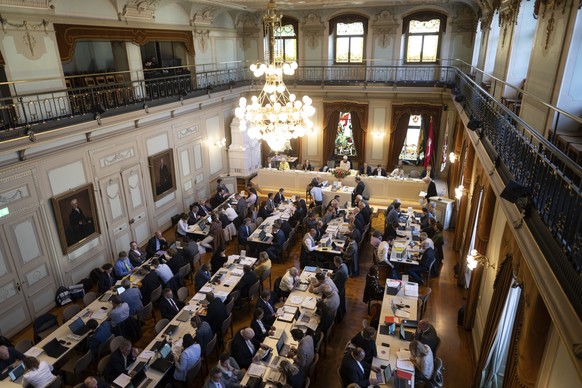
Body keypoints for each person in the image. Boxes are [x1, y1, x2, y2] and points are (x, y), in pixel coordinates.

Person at [332, 256, 349, 320]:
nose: (333, 263)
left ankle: (338, 316)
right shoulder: (344, 265)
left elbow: (334, 281)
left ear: (337, 263)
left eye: (334, 261)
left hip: (339, 288)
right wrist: (333, 275)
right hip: (342, 287)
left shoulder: (340, 272)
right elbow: (338, 276)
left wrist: (327, 279)